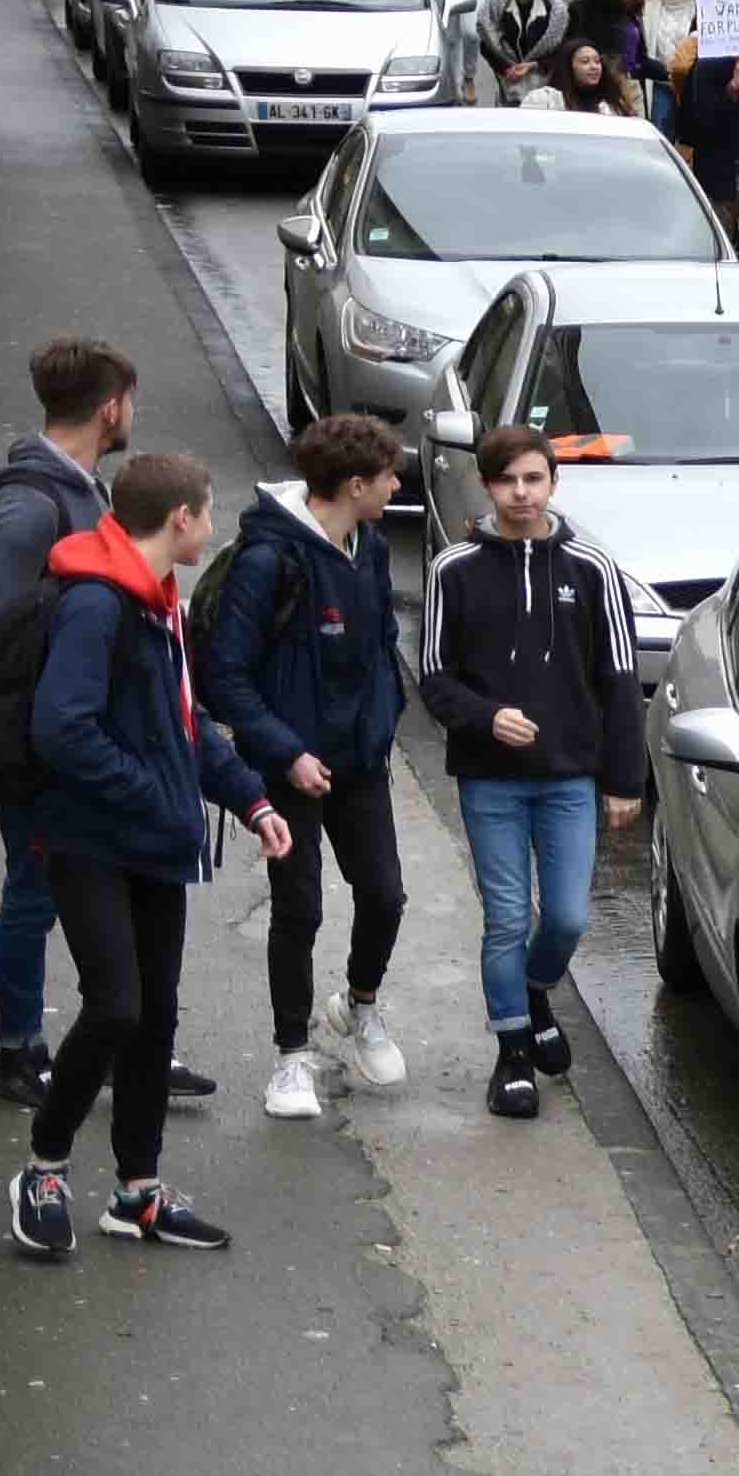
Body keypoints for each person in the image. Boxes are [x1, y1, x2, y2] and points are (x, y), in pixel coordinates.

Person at [6, 451, 298, 1259]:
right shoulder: (98, 606)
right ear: (181, 520)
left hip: (150, 843)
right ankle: (45, 1165)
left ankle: (137, 1192)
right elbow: (62, 728)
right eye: (207, 511)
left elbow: (182, 724)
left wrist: (250, 796)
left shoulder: (159, 601)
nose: (211, 523)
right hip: (90, 839)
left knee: (154, 1016)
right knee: (117, 1006)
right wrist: (153, 793)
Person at [414, 429, 646, 1118]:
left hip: (569, 777)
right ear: (487, 485)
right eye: (508, 480)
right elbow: (432, 676)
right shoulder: (453, 569)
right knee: (507, 919)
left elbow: (620, 678)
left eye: (533, 480)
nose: (521, 493)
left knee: (568, 918)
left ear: (553, 484)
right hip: (490, 780)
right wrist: (487, 718)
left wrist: (624, 779)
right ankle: (513, 1054)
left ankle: (535, 990)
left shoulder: (591, 569)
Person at [199, 412, 414, 1122]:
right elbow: (225, 676)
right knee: (300, 908)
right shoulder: (270, 561)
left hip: (361, 762)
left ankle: (358, 1007)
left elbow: (383, 643)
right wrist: (287, 753)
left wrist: (384, 719)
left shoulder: (372, 548)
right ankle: (291, 1057)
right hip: (287, 767)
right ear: (355, 484)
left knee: (384, 894)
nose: (396, 484)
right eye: (387, 477)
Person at [0, 338, 147, 1108]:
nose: (132, 414)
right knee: (34, 889)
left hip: (71, 732)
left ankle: (121, 1038)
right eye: (129, 401)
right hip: (37, 742)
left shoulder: (82, 487)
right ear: (109, 408)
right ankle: (17, 1052)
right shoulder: (33, 505)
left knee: (87, 882)